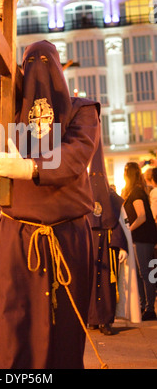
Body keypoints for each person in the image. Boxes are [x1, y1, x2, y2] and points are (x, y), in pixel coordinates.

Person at [0, 0, 101, 367]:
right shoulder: (11, 107)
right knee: (13, 329)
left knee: (62, 332)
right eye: (31, 65)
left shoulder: (82, 110)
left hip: (68, 238)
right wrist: (5, 14)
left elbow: (75, 156)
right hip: (17, 240)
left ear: (60, 72)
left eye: (48, 65)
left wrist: (31, 167)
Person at [87, 139, 129, 335]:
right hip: (89, 244)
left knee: (105, 285)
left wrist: (121, 246)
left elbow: (116, 221)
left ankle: (105, 320)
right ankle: (92, 319)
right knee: (88, 284)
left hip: (106, 245)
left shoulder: (111, 197)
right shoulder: (83, 193)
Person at [122, 162, 157, 321]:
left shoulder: (136, 192)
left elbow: (141, 215)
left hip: (143, 238)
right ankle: (144, 306)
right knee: (141, 273)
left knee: (146, 273)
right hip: (139, 238)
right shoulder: (135, 191)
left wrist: (129, 230)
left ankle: (150, 308)